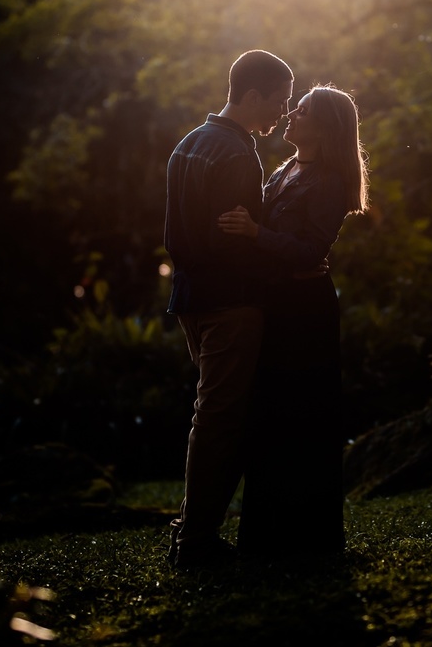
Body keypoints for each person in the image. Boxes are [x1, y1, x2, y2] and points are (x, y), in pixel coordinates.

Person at [216, 83, 370, 558]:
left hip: (306, 309)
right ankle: (267, 536)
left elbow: (311, 249)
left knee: (303, 418)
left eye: (301, 111)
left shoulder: (327, 181)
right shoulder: (285, 169)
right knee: (271, 415)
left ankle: (308, 539)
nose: (290, 116)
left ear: (324, 127)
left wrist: (256, 232)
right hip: (278, 304)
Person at [163, 49, 295, 569]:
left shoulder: (188, 145)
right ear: (253, 94)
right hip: (230, 304)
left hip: (192, 301)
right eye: (279, 102)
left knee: (211, 415)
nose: (282, 115)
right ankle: (196, 541)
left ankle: (189, 531)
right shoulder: (238, 153)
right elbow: (234, 242)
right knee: (220, 421)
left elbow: (175, 237)